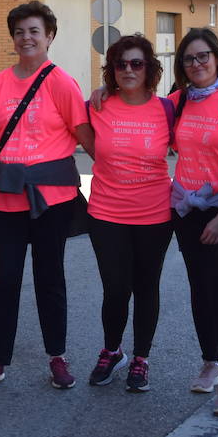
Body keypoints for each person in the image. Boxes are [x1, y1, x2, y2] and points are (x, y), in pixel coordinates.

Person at [0, 1, 95, 392]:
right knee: (4, 279)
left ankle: (57, 357)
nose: (27, 38)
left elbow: (86, 136)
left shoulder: (62, 82)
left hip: (52, 201)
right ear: (13, 38)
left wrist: (117, 175)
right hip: (6, 198)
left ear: (49, 36)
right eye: (20, 32)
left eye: (34, 31)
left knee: (49, 278)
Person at [83, 35, 173, 393]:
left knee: (146, 287)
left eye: (137, 63)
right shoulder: (97, 105)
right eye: (121, 64)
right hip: (106, 212)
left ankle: (141, 358)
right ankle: (112, 350)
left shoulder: (167, 108)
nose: (129, 70)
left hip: (154, 213)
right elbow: (80, 136)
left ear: (149, 68)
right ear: (112, 71)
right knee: (115, 288)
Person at [169, 28, 218, 414]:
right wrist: (101, 94)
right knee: (199, 289)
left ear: (217, 57)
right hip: (185, 208)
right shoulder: (179, 101)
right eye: (188, 59)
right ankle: (210, 361)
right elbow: (135, 108)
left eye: (203, 56)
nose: (196, 64)